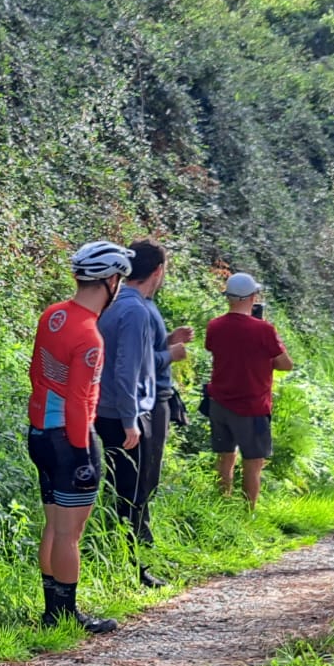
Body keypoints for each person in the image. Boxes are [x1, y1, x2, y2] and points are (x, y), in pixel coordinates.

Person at [28, 242, 131, 634]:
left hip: (39, 432)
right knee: (71, 533)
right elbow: (77, 400)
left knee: (54, 526)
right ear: (110, 280)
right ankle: (65, 615)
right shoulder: (90, 335)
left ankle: (50, 611)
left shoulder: (52, 314)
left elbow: (35, 372)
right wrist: (82, 451)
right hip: (69, 439)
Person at [93, 241, 187, 587]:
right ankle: (132, 567)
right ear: (158, 270)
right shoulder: (135, 310)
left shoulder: (121, 304)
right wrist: (131, 419)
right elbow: (128, 368)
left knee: (126, 487)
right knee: (134, 488)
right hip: (127, 412)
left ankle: (129, 558)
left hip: (116, 408)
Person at [129, 240, 192, 580]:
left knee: (146, 480)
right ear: (157, 271)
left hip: (155, 400)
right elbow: (134, 363)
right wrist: (172, 355)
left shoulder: (143, 305)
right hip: (149, 403)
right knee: (143, 479)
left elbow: (143, 348)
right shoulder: (136, 306)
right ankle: (137, 558)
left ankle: (143, 548)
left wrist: (168, 340)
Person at [205, 272, 293, 510]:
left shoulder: (214, 326)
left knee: (225, 457)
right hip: (252, 406)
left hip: (220, 403)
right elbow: (286, 364)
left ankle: (222, 507)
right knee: (253, 463)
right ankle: (248, 513)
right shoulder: (264, 330)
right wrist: (264, 360)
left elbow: (217, 350)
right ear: (252, 296)